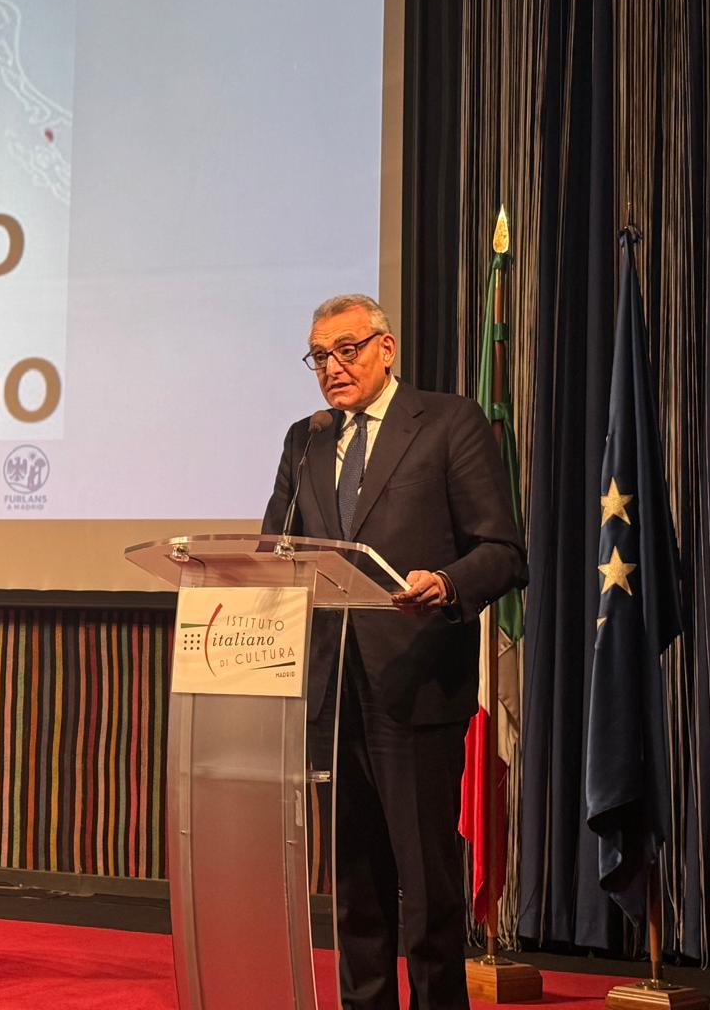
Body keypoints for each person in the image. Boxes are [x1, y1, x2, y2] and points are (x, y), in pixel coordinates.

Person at [262, 293, 527, 1010]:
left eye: (347, 350)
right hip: (332, 694)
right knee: (356, 889)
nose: (332, 367)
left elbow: (503, 551)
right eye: (320, 356)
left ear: (386, 348)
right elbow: (274, 548)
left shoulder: (447, 423)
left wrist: (445, 582)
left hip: (415, 686)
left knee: (427, 888)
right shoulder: (306, 439)